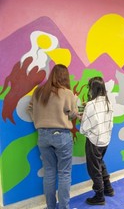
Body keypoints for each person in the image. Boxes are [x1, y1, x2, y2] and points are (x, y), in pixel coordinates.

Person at [26, 64, 78, 209]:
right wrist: (75, 108)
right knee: (64, 174)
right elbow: (72, 114)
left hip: (42, 135)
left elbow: (29, 108)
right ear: (65, 76)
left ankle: (50, 207)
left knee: (49, 172)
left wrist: (38, 120)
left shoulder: (39, 91)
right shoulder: (67, 93)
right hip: (61, 136)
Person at [80, 77, 114, 205]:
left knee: (94, 168)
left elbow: (84, 128)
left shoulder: (91, 105)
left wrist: (81, 118)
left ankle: (99, 196)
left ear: (92, 88)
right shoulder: (108, 103)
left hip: (94, 141)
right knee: (100, 163)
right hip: (105, 140)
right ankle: (108, 188)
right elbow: (109, 123)